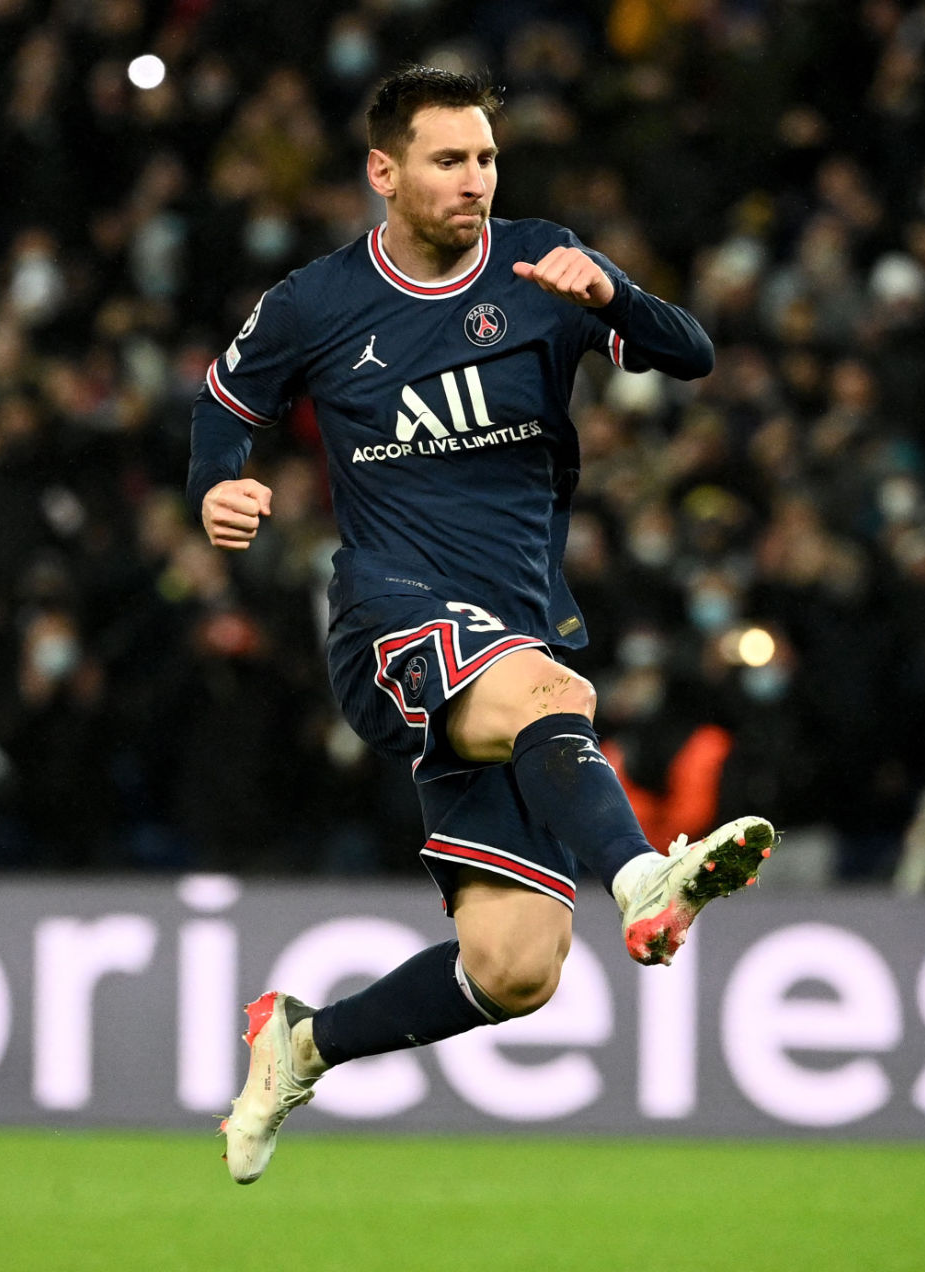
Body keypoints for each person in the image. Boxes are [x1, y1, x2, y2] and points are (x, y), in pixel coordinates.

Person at [187, 66, 775, 1185]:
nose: (475, 181)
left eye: (488, 159)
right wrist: (217, 487)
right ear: (385, 173)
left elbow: (691, 354)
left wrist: (614, 299)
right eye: (450, 160)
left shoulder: (542, 263)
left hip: (510, 636)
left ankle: (299, 1044)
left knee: (513, 972)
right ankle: (643, 879)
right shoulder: (316, 301)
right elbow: (224, 405)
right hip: (388, 617)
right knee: (558, 699)